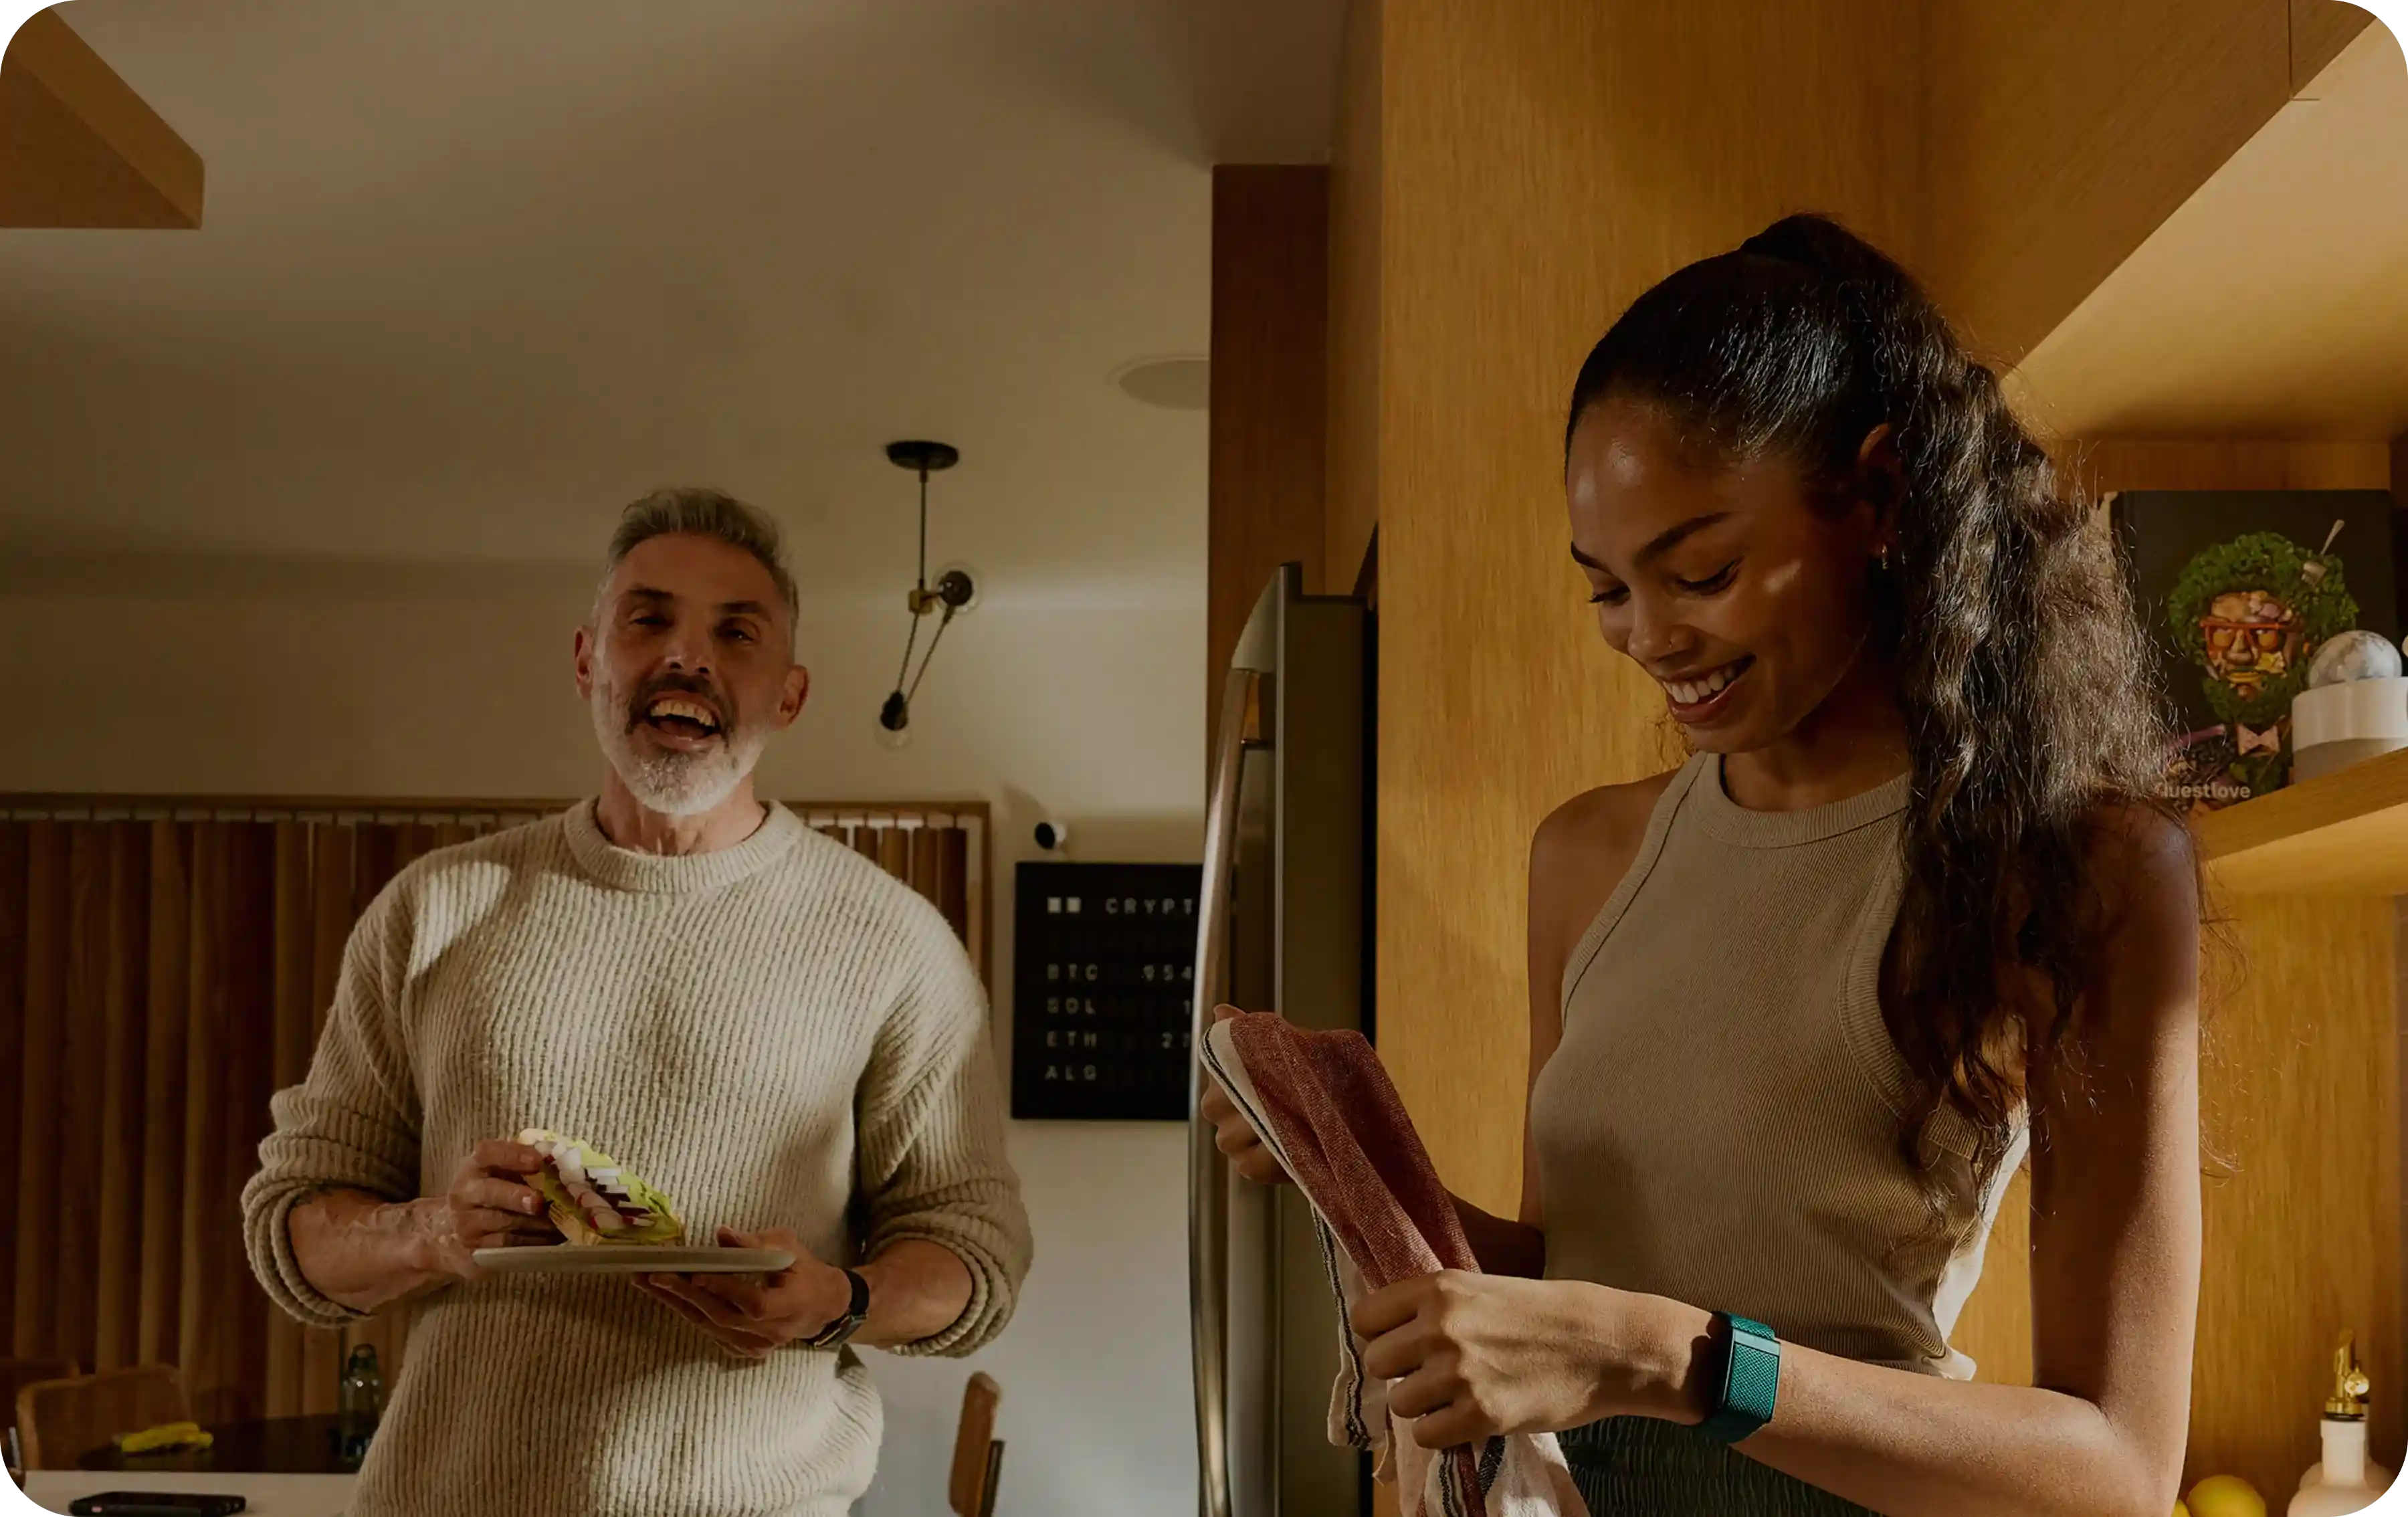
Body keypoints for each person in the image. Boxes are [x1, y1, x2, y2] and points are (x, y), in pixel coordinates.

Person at [1205, 215, 2202, 1516]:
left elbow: (2117, 1467)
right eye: (1608, 589)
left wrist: (1665, 1360)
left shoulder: (2077, 866)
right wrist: (1359, 1175)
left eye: (1702, 572)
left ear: (1881, 500)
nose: (1649, 638)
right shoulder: (1590, 855)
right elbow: (1583, 1278)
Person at [241, 488, 1032, 1517]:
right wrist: (437, 1230)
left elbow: (974, 1255)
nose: (687, 657)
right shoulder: (435, 910)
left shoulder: (894, 943)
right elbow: (293, 1234)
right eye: (649, 619)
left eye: (734, 632)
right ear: (587, 661)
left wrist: (839, 1302)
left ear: (788, 696)